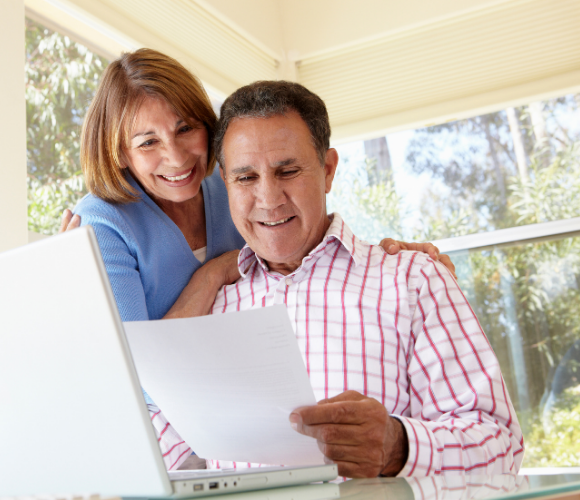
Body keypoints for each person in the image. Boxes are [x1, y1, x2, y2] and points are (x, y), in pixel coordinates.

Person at [151, 80, 524, 477]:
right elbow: (160, 450)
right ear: (225, 181)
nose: (269, 198)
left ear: (327, 170)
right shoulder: (209, 307)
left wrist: (398, 446)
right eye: (246, 178)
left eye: (288, 170)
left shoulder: (413, 280)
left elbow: (499, 442)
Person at [63, 48, 454, 326]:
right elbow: (139, 379)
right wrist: (213, 274)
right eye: (148, 142)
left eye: (186, 128)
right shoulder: (102, 225)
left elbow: (306, 243)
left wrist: (396, 263)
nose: (178, 157)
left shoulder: (232, 182)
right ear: (119, 153)